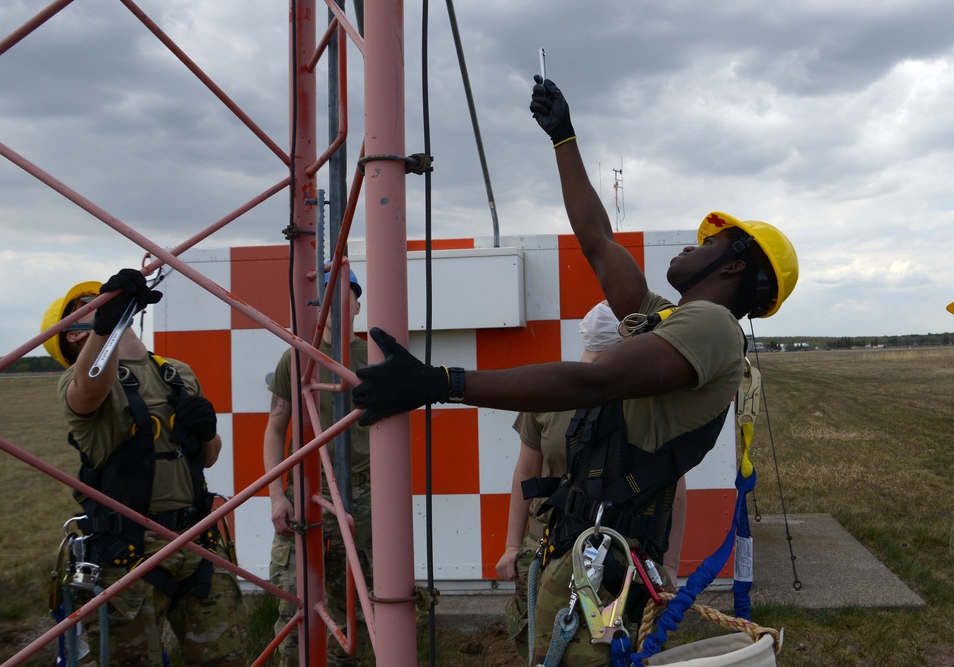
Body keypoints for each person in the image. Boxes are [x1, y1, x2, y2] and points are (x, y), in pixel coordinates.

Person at [351, 75, 798, 666]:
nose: (690, 247)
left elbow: (596, 379)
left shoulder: (713, 328)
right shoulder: (667, 319)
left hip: (607, 563)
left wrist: (443, 384)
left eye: (707, 241)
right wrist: (564, 138)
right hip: (584, 548)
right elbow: (596, 240)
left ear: (736, 262)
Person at [42, 268, 245, 666]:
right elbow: (91, 385)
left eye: (107, 304)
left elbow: (209, 457)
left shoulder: (177, 373)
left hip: (195, 539)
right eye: (93, 307)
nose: (107, 308)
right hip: (128, 552)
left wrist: (207, 433)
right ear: (74, 334)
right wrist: (109, 324)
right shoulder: (79, 381)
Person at [496, 301, 687, 662]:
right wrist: (511, 546)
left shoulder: (651, 403)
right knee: (544, 646)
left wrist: (669, 567)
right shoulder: (548, 393)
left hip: (625, 555)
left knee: (624, 648)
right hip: (548, 547)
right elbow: (527, 472)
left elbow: (673, 485)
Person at [264, 266, 372, 667]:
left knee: (358, 607)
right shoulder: (297, 358)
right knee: (297, 603)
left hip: (363, 495)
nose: (341, 306)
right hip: (306, 494)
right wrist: (277, 496)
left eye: (349, 296)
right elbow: (275, 431)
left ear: (359, 306)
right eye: (330, 298)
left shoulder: (374, 357)